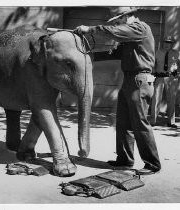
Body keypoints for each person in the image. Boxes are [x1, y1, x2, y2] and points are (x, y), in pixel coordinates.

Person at [75, 7, 161, 175]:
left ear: (127, 16)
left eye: (117, 20)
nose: (116, 24)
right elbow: (115, 52)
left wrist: (89, 29)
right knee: (123, 123)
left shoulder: (140, 28)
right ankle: (125, 160)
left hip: (139, 80)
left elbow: (113, 32)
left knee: (140, 124)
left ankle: (153, 164)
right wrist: (89, 55)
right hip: (130, 80)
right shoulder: (131, 38)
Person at [150, 36, 180, 128]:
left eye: (169, 42)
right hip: (160, 77)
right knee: (156, 99)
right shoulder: (158, 52)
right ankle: (153, 121)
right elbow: (153, 64)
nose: (167, 44)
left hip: (171, 78)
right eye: (166, 42)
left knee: (171, 99)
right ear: (163, 43)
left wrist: (178, 73)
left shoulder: (177, 53)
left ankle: (171, 122)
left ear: (172, 44)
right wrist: (153, 72)